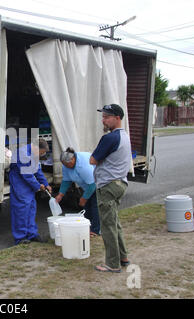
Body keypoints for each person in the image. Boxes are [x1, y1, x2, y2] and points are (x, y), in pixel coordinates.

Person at [90, 104, 132, 273]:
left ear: (117, 118)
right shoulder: (124, 136)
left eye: (107, 117)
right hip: (120, 182)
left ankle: (112, 264)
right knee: (115, 223)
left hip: (108, 185)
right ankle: (123, 257)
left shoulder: (109, 138)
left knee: (107, 226)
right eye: (103, 116)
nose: (104, 120)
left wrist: (100, 160)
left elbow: (93, 160)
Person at [9, 139, 51, 245]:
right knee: (21, 209)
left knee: (31, 208)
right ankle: (20, 237)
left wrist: (46, 184)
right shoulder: (22, 153)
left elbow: (37, 170)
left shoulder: (34, 153)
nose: (41, 155)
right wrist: (38, 185)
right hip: (19, 181)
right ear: (36, 148)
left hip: (27, 181)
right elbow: (26, 174)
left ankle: (32, 234)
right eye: (41, 153)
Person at [55, 147, 100, 237]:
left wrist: (84, 198)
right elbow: (66, 180)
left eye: (68, 164)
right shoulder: (66, 165)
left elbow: (92, 185)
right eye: (64, 164)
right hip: (87, 186)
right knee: (87, 207)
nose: (66, 166)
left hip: (98, 184)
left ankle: (96, 230)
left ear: (73, 159)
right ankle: (87, 227)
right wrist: (60, 194)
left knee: (95, 205)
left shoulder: (83, 165)